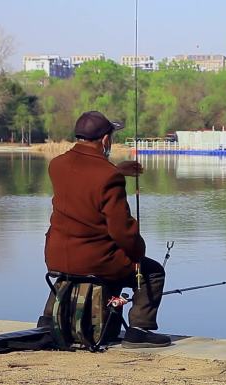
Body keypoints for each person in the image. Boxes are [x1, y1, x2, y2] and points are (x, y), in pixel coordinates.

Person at [42, 111, 170, 348]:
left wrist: (116, 171)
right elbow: (122, 231)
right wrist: (138, 252)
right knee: (151, 272)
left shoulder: (56, 165)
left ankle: (47, 320)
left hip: (57, 256)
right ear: (105, 140)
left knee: (81, 269)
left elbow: (83, 179)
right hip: (94, 261)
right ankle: (139, 330)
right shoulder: (108, 176)